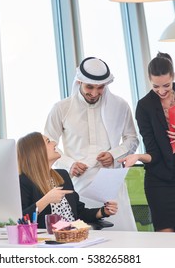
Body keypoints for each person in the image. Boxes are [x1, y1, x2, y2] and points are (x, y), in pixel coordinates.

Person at [44, 57, 139, 231]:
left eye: (100, 87)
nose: (94, 93)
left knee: (123, 239)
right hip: (78, 184)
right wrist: (69, 164)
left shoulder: (120, 106)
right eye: (89, 87)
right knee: (82, 238)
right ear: (79, 81)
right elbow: (47, 145)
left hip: (112, 183)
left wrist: (114, 154)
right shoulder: (61, 108)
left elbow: (132, 139)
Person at [118, 52, 175, 233]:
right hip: (160, 180)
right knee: (167, 242)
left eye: (166, 85)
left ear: (173, 76)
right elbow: (154, 152)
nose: (161, 91)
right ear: (149, 80)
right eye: (155, 86)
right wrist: (136, 156)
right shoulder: (144, 107)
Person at [17, 131, 118, 229]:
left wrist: (103, 211)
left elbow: (78, 213)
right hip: (48, 240)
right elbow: (21, 220)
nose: (54, 143)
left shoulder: (62, 175)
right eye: (48, 141)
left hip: (73, 236)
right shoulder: (24, 181)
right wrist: (47, 199)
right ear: (37, 151)